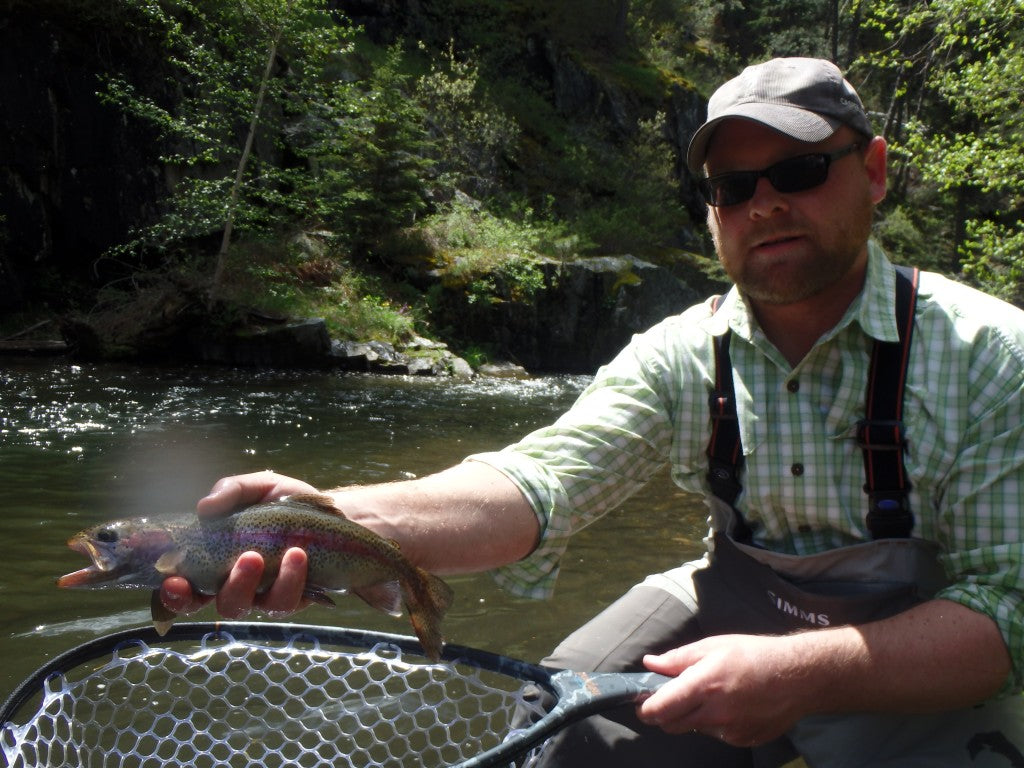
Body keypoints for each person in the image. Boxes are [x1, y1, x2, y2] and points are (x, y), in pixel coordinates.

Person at [161, 57, 1024, 766]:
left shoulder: (994, 356)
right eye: (731, 187)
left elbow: (1009, 614)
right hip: (733, 601)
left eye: (798, 172)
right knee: (557, 717)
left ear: (872, 174)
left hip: (925, 650)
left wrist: (798, 670)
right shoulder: (684, 351)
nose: (764, 204)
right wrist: (328, 519)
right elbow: (539, 483)